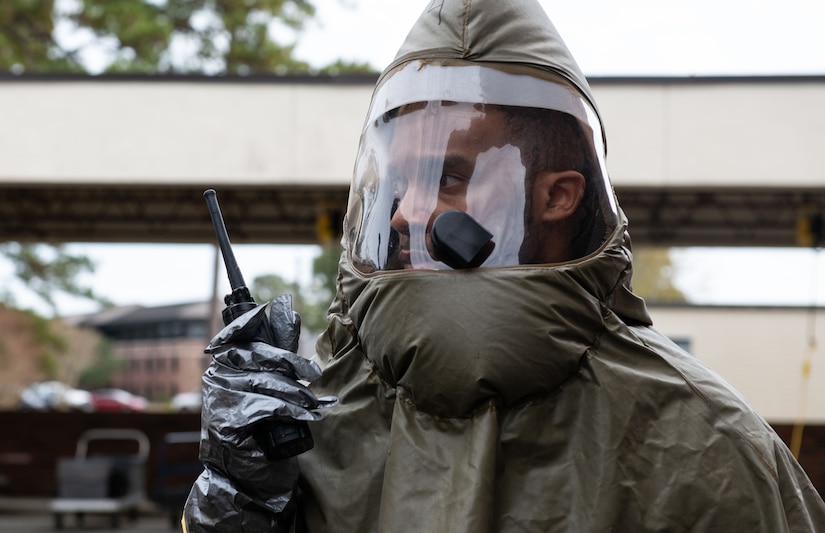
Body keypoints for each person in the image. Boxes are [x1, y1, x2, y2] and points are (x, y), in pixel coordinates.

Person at [184, 0, 825, 531]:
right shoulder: (307, 422)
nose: (407, 213)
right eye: (400, 183)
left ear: (557, 196)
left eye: (449, 176)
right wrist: (237, 502)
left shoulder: (709, 444)